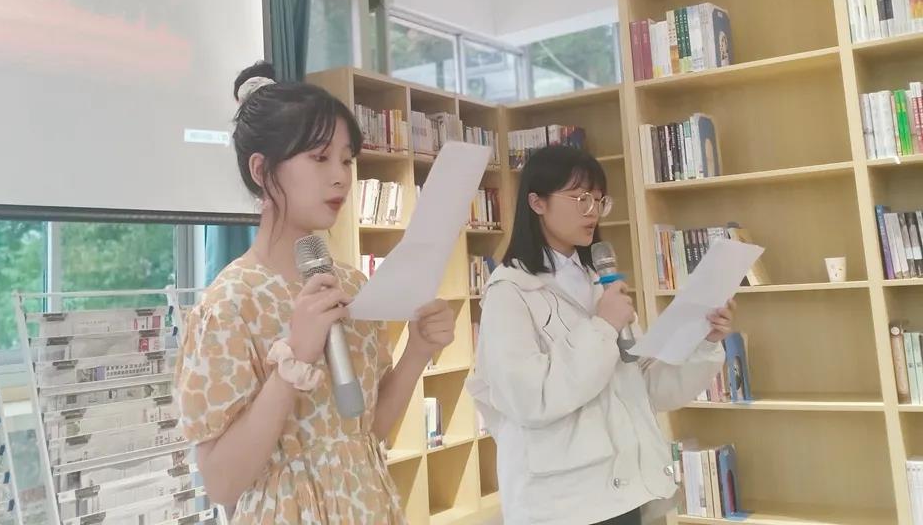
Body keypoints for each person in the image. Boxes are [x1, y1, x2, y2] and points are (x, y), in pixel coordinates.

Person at [175, 61, 455, 524]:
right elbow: (222, 483)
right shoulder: (228, 304)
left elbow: (367, 432)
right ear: (262, 170)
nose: (341, 176)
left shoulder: (351, 285)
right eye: (320, 157)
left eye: (346, 159)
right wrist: (294, 361)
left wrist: (417, 351)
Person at [467, 145, 735, 525]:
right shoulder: (509, 291)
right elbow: (529, 398)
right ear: (537, 202)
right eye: (580, 198)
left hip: (626, 488)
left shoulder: (600, 281)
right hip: (563, 503)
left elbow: (647, 390)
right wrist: (603, 327)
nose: (592, 210)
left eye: (598, 199)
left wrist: (703, 341)